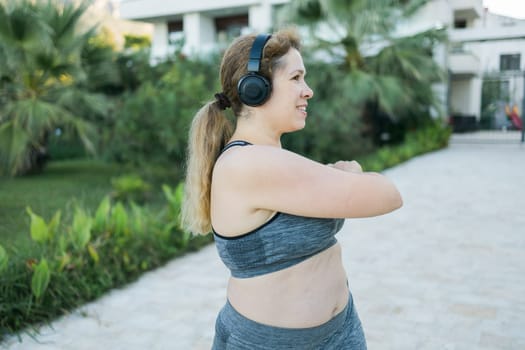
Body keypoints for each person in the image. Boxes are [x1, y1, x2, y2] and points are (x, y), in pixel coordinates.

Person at [181, 27, 403, 350]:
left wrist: (342, 178)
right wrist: (351, 171)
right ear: (255, 90)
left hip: (341, 331)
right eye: (296, 78)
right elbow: (387, 194)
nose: (308, 90)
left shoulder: (272, 160)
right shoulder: (248, 163)